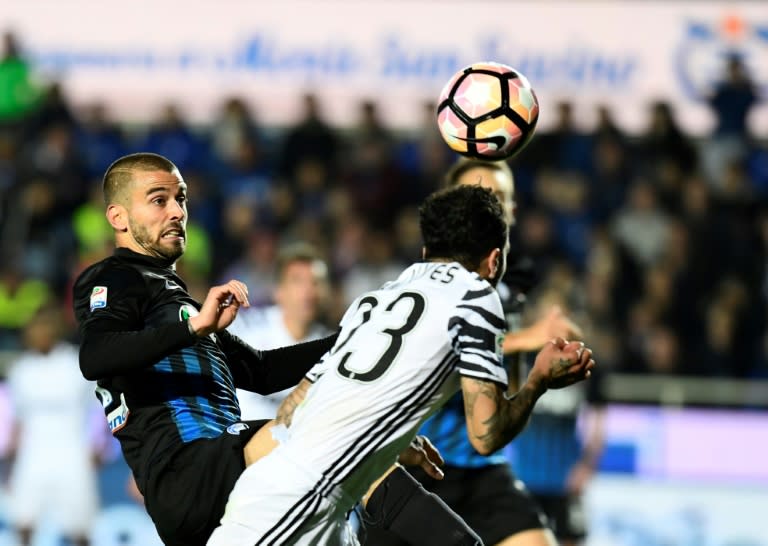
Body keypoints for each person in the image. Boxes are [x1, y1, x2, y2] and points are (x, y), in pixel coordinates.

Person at [72, 152, 493, 546]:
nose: (178, 212)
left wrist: (361, 334)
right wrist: (194, 327)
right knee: (348, 446)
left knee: (351, 475)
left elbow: (262, 371)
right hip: (189, 471)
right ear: (118, 216)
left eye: (180, 199)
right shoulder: (116, 278)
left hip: (223, 475)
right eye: (159, 200)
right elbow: (95, 356)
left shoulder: (178, 303)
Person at [207, 184, 595, 545]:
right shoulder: (477, 297)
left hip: (286, 496)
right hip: (303, 506)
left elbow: (293, 412)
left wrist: (385, 440)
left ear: (426, 252)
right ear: (494, 261)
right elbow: (487, 434)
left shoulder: (374, 301)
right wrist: (539, 381)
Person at [364, 159, 588, 546]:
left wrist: (543, 372)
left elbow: (503, 396)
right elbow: (440, 348)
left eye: (499, 197)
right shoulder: (426, 283)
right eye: (477, 196)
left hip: (483, 472)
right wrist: (526, 339)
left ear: (513, 211)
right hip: (420, 464)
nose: (490, 206)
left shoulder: (508, 298)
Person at [6, 303, 100, 546]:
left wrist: (97, 444)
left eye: (42, 328)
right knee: (24, 521)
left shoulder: (76, 364)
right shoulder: (21, 369)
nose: (36, 334)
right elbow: (18, 417)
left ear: (54, 329)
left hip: (72, 451)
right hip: (33, 452)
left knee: (81, 526)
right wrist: (12, 455)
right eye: (32, 329)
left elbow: (99, 406)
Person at [228, 241, 332, 419]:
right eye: (298, 281)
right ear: (278, 291)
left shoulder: (331, 349)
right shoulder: (244, 330)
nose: (309, 291)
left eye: (316, 282)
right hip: (241, 439)